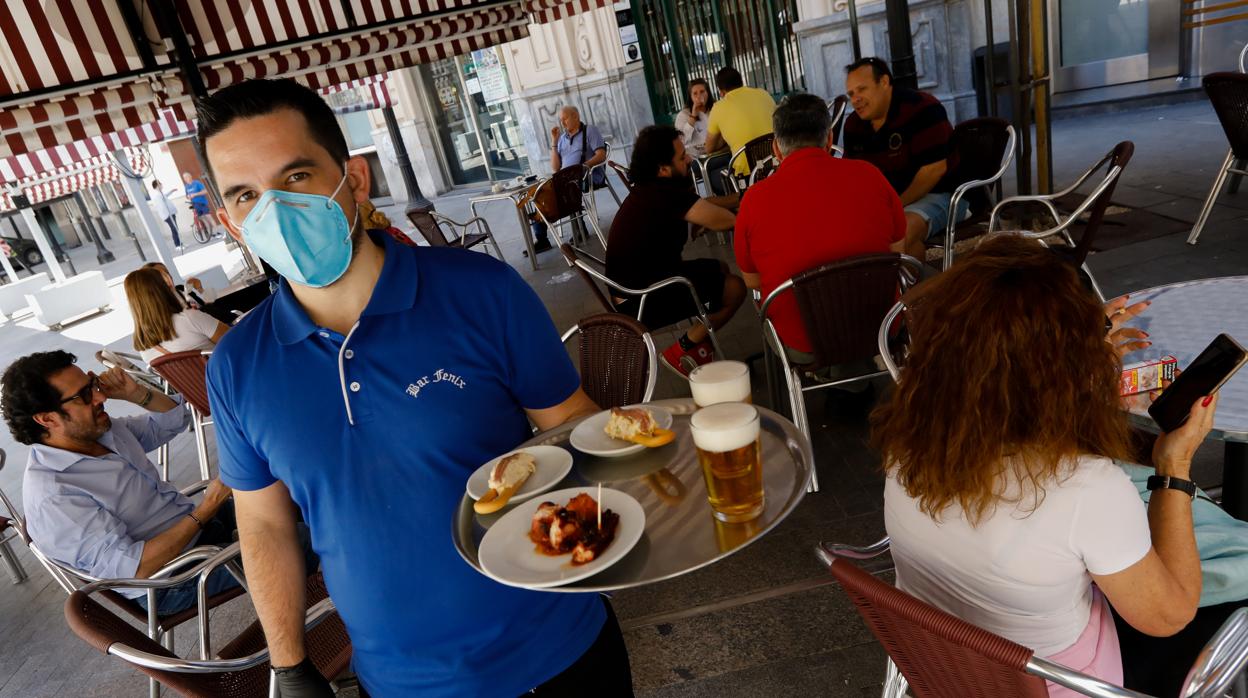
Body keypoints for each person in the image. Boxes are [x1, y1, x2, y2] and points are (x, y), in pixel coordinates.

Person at [196, 78, 630, 696]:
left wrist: (637, 495)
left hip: (558, 651)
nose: (274, 211)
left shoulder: (482, 291)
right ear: (229, 221)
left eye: (295, 178)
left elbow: (572, 422)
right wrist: (289, 666)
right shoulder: (237, 366)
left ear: (354, 179)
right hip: (397, 682)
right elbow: (264, 525)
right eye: (245, 195)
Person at [873, 234, 1229, 697]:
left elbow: (1004, 404)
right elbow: (1168, 616)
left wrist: (1070, 367)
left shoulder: (908, 440)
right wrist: (1174, 463)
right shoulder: (1086, 490)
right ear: (1061, 374)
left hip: (946, 667)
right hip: (1059, 684)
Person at [2, 351, 237, 614]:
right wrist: (207, 507)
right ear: (47, 419)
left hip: (197, 531)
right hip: (173, 579)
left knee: (283, 498)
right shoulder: (55, 495)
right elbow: (137, 568)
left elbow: (175, 420)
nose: (101, 397)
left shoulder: (100, 432)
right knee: (286, 542)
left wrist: (136, 394)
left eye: (92, 384)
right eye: (84, 395)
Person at [734, 93, 905, 406]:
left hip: (804, 344)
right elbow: (897, 251)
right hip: (880, 328)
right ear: (829, 139)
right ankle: (853, 378)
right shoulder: (870, 175)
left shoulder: (755, 200)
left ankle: (833, 383)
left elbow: (752, 281)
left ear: (775, 147)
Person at [605, 125, 745, 376]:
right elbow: (726, 220)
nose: (689, 159)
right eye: (682, 157)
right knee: (735, 288)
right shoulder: (665, 194)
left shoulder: (652, 188)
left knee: (720, 269)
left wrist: (737, 199)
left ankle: (699, 348)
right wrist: (716, 216)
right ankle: (683, 349)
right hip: (643, 298)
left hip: (635, 288)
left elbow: (700, 206)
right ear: (663, 169)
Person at [842, 57, 960, 259]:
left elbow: (935, 170)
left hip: (941, 194)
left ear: (885, 82)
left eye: (862, 89)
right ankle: (912, 287)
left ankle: (910, 289)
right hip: (888, 203)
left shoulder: (923, 108)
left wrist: (895, 205)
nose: (855, 99)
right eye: (851, 94)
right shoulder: (854, 124)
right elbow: (853, 176)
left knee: (899, 236)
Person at [531, 105, 608, 253]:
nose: (562, 123)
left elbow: (601, 155)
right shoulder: (562, 139)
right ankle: (542, 239)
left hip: (587, 176)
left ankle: (580, 228)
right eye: (561, 120)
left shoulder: (589, 131)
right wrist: (554, 142)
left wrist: (582, 167)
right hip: (565, 179)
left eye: (565, 119)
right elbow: (555, 167)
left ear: (576, 117)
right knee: (539, 192)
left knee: (564, 188)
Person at [124, 267, 230, 364]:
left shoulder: (144, 347)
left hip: (195, 385)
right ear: (162, 290)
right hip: (231, 376)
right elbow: (236, 340)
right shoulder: (189, 318)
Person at [704, 66, 777, 192]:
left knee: (711, 175)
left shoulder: (718, 107)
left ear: (721, 92)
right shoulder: (764, 94)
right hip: (776, 164)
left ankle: (735, 209)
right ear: (741, 82)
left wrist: (726, 141)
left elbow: (709, 148)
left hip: (747, 177)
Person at [143, 261, 216, 309]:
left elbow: (208, 308)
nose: (168, 277)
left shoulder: (180, 289)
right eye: (162, 276)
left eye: (167, 273)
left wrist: (200, 289)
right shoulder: (165, 306)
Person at [675, 78, 715, 158]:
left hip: (717, 153)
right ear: (691, 97)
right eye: (695, 94)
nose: (699, 96)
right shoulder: (683, 115)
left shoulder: (715, 109)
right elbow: (682, 140)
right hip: (696, 158)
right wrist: (693, 116)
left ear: (708, 93)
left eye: (702, 92)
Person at [149, 180, 182, 250]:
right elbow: (161, 207)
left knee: (176, 228)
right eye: (159, 184)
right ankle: (177, 245)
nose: (161, 185)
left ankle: (180, 243)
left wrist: (172, 191)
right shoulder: (157, 196)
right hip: (168, 215)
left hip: (171, 214)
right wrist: (167, 215)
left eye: (160, 183)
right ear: (156, 186)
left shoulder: (161, 194)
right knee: (174, 229)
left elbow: (166, 195)